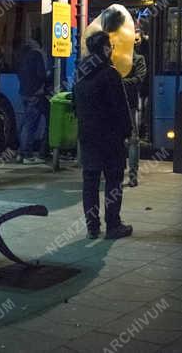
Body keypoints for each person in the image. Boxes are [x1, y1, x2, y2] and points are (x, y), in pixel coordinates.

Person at [75, 31, 133, 240]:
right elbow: (120, 107)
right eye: (110, 46)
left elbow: (76, 105)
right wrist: (127, 131)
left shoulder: (80, 73)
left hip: (88, 136)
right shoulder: (110, 74)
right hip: (110, 137)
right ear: (105, 48)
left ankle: (92, 227)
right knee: (113, 180)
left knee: (90, 182)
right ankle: (113, 225)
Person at [16, 30, 49, 164]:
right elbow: (41, 74)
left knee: (26, 123)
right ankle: (28, 155)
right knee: (32, 124)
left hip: (24, 92)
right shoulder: (38, 54)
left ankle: (21, 153)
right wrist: (48, 74)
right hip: (35, 94)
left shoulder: (25, 53)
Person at [122, 29, 148, 187]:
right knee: (133, 140)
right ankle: (132, 175)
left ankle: (118, 171)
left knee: (120, 139)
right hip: (130, 103)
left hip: (118, 103)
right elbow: (139, 79)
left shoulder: (113, 58)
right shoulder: (138, 59)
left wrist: (118, 82)